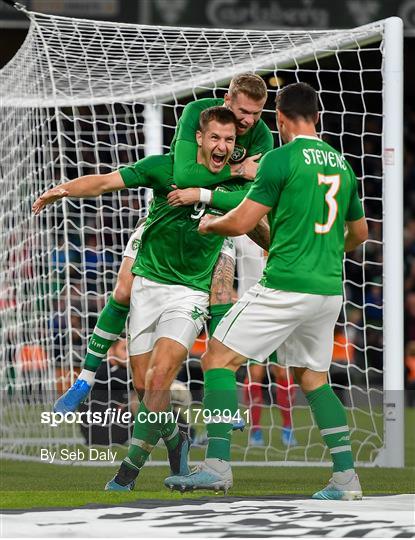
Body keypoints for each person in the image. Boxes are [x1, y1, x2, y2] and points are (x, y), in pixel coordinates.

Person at [33, 107, 268, 491]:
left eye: (229, 140)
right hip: (147, 287)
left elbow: (257, 217)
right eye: (215, 138)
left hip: (189, 294)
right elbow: (106, 182)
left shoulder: (238, 187)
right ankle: (176, 439)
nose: (222, 146)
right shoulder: (164, 168)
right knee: (145, 392)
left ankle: (128, 471)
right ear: (199, 137)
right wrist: (62, 190)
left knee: (160, 378)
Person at [165, 82, 368, 501]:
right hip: (328, 290)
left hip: (286, 284)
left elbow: (242, 222)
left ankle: (217, 465)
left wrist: (210, 223)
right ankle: (346, 477)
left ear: (278, 118)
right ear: (318, 117)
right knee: (313, 378)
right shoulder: (343, 165)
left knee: (217, 357)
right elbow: (360, 234)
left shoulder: (280, 158)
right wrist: (325, 249)